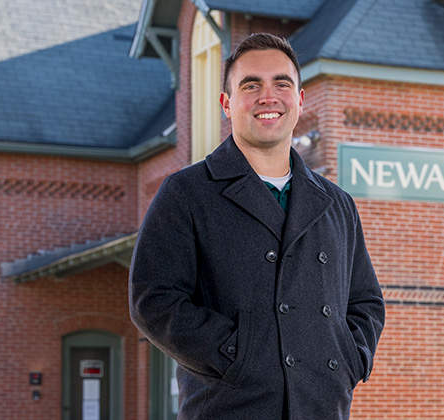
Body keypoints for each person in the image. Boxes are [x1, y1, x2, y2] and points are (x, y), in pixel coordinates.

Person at [129, 33, 385, 420]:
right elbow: (154, 301)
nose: (269, 96)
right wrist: (238, 355)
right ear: (227, 104)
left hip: (322, 407)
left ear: (300, 100)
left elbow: (366, 303)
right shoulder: (187, 193)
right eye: (251, 85)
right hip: (230, 407)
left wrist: (349, 358)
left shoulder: (338, 204)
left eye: (282, 83)